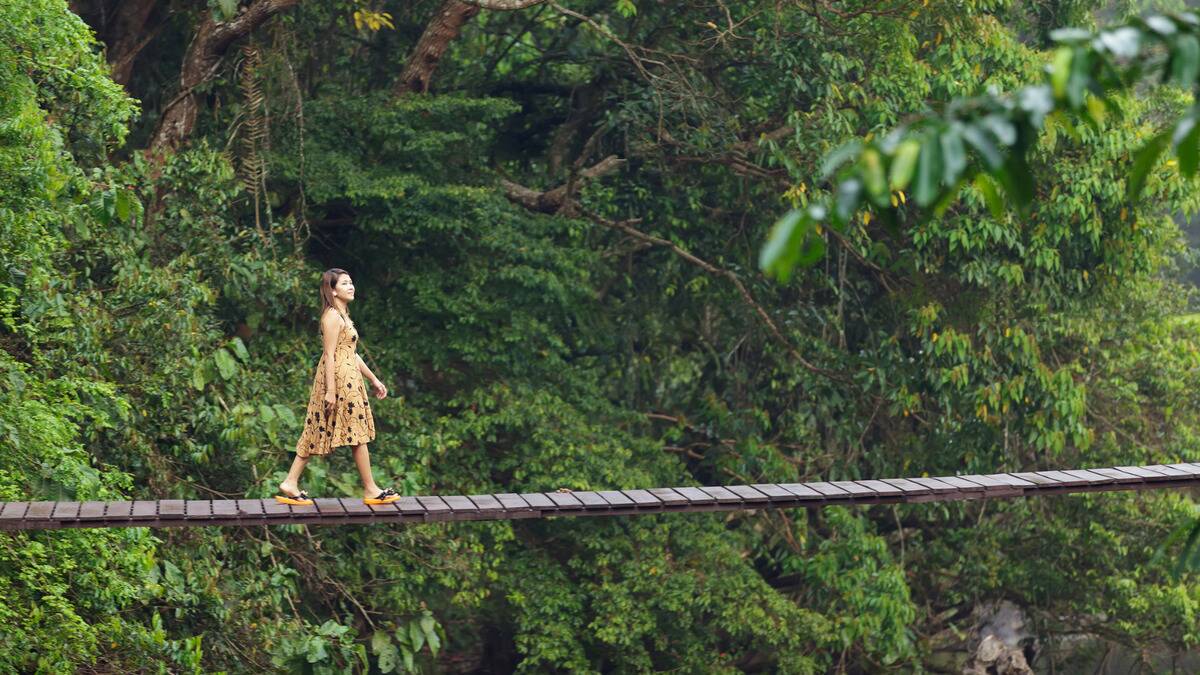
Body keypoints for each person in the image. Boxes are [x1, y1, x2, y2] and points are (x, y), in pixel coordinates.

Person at [277, 268, 401, 506]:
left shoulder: (344, 316)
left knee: (320, 427)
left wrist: (374, 379)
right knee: (355, 433)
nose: (351, 286)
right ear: (333, 290)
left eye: (351, 282)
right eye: (345, 283)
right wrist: (331, 391)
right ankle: (371, 489)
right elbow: (330, 355)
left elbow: (352, 354)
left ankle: (290, 482)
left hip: (350, 379)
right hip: (339, 382)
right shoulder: (332, 316)